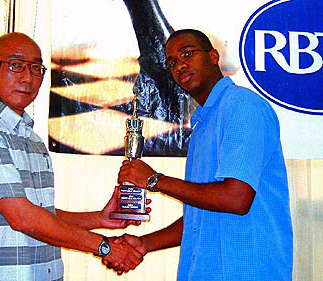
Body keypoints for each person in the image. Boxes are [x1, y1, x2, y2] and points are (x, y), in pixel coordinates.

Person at [0, 32, 148, 281]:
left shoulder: (32, 139)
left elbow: (40, 213)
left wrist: (99, 218)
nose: (27, 77)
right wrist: (105, 247)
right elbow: (21, 216)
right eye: (16, 65)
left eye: (36, 68)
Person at [106, 29, 293, 280]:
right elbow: (202, 214)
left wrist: (155, 180)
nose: (180, 65)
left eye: (188, 53)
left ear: (213, 56)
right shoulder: (204, 122)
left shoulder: (242, 106)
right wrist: (144, 244)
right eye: (171, 62)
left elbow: (236, 198)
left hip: (247, 271)